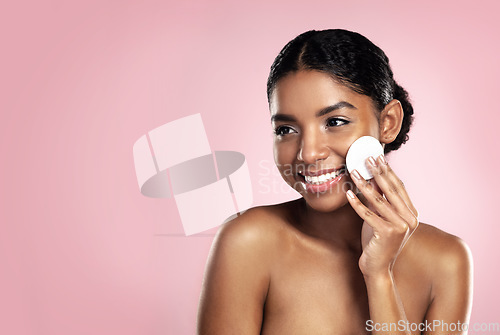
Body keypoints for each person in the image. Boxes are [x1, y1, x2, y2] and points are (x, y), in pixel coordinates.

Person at [197, 29, 472, 334]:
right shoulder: (248, 242)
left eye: (335, 122)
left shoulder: (446, 262)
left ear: (388, 123)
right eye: (286, 129)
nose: (309, 152)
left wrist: (379, 275)